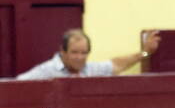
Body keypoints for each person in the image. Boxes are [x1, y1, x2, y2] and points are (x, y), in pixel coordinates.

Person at [16, 28, 161, 79]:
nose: (79, 58)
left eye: (84, 53)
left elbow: (116, 65)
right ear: (63, 52)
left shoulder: (90, 69)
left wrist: (145, 53)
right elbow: (16, 86)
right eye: (74, 52)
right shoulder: (47, 71)